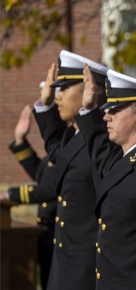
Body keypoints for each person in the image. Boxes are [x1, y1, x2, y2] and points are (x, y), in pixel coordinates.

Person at [74, 66, 136, 290]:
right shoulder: (125, 160)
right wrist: (88, 109)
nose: (106, 116)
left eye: (115, 110)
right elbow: (99, 148)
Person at [33, 50, 108, 290]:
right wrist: (44, 108)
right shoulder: (75, 136)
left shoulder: (103, 140)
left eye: (65, 89)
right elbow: (59, 154)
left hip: (85, 268)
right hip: (65, 263)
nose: (58, 96)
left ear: (90, 89)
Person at [5, 103, 57, 290]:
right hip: (45, 231)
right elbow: (40, 173)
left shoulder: (71, 149)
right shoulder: (56, 152)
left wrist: (8, 194)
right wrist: (20, 140)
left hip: (60, 235)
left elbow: (50, 188)